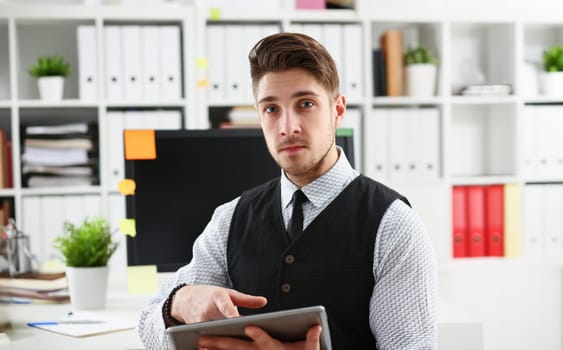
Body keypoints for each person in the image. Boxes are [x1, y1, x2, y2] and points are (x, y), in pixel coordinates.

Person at [137, 32, 437, 349]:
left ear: (338, 110)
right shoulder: (229, 221)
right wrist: (178, 304)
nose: (287, 126)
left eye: (305, 104)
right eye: (271, 109)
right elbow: (146, 326)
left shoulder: (394, 227)